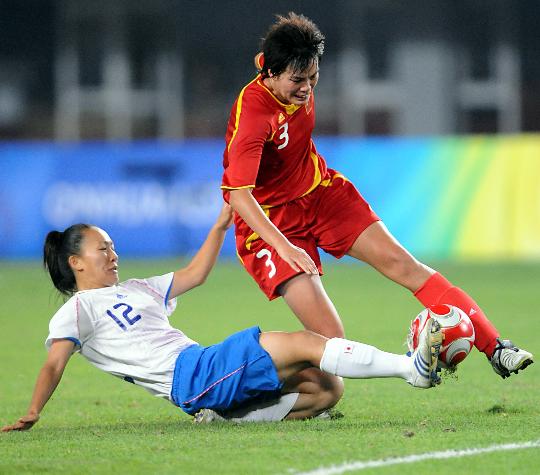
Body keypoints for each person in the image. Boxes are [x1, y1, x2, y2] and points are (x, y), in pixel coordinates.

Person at [221, 12, 533, 379]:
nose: (307, 87)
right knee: (331, 344)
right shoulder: (254, 114)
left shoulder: (281, 60)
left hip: (321, 194)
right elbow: (238, 196)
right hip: (272, 222)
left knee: (405, 265)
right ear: (270, 74)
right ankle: (235, 387)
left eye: (313, 76)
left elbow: (277, 49)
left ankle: (496, 347)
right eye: (297, 80)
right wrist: (286, 248)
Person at [1, 204, 444, 432]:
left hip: (201, 366)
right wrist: (34, 410)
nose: (113, 255)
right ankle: (412, 369)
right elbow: (55, 362)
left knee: (326, 389)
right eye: (103, 249)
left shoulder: (136, 288)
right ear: (76, 262)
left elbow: (195, 274)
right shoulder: (76, 310)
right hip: (188, 376)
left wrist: (219, 226)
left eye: (113, 246)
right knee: (307, 342)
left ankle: (227, 418)